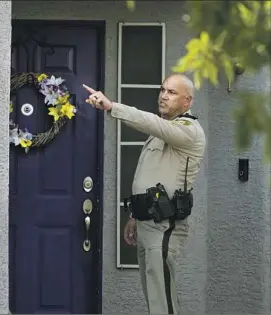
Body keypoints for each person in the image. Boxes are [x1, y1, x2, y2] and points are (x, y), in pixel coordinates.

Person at [83, 73, 206, 315]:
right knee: (154, 296)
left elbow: (150, 122)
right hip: (148, 221)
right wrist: (135, 217)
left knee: (163, 300)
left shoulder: (188, 130)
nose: (163, 95)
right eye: (162, 90)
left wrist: (112, 107)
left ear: (187, 102)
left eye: (171, 92)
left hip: (164, 224)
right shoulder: (164, 130)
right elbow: (151, 178)